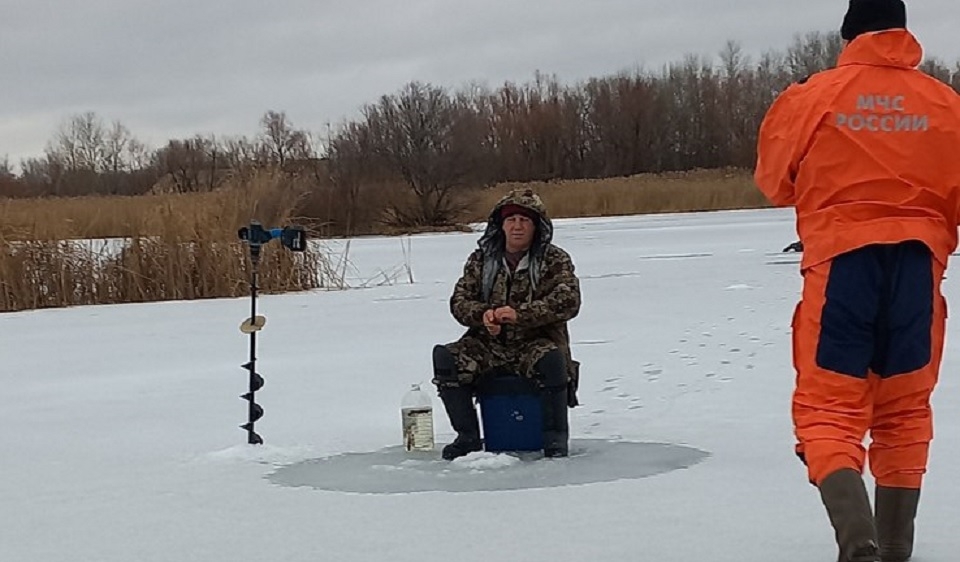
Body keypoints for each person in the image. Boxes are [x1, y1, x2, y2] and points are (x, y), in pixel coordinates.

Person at [754, 1, 960, 560]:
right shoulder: (946, 102)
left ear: (849, 34)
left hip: (843, 264)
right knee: (905, 410)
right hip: (918, 268)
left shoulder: (813, 95)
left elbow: (774, 183)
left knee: (828, 410)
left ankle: (858, 542)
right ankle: (895, 547)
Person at [431, 187, 581, 460]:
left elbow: (569, 301)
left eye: (524, 220)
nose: (517, 226)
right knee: (446, 358)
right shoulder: (481, 259)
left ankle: (555, 439)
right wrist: (484, 315)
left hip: (535, 342)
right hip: (487, 343)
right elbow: (459, 300)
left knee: (553, 361)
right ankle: (468, 437)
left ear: (537, 227)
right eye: (511, 220)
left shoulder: (554, 259)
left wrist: (520, 314)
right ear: (501, 225)